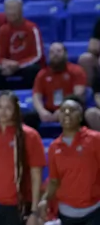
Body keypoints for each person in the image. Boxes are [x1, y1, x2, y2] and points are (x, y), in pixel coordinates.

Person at [0, 91, 46, 225]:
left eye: (8, 107)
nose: (3, 112)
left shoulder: (30, 136)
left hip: (20, 205)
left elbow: (36, 175)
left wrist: (34, 211)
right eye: (0, 107)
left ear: (16, 110)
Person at [38, 96, 100, 225]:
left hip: (95, 210)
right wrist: (44, 199)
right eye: (63, 110)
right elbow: (54, 180)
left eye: (72, 110)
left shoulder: (95, 139)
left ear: (81, 116)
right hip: (67, 213)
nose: (67, 113)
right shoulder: (54, 147)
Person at [0, 0, 45, 94]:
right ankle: (0, 98)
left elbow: (37, 56)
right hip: (10, 66)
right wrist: (5, 65)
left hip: (27, 66)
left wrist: (18, 65)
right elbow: (0, 57)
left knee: (32, 70)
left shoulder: (32, 28)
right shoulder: (3, 30)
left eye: (14, 9)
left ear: (21, 10)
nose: (11, 12)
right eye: (8, 9)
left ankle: (31, 97)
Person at [27, 42, 87, 130]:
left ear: (65, 54)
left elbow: (77, 95)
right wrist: (42, 112)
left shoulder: (76, 70)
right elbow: (36, 96)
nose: (55, 54)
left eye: (58, 51)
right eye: (52, 52)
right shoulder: (42, 74)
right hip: (49, 110)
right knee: (28, 118)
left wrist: (62, 110)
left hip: (70, 108)